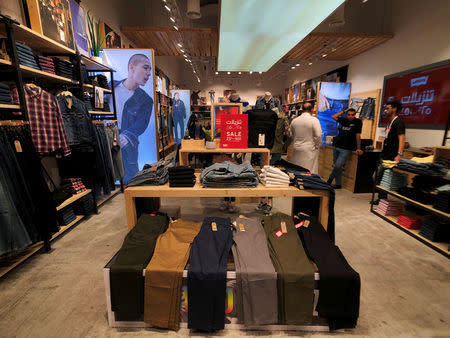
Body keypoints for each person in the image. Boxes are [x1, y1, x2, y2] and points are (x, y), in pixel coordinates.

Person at [113, 53, 153, 184]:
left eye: (150, 70)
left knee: (131, 181)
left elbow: (142, 124)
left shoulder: (146, 100)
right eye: (145, 68)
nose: (148, 73)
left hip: (127, 143)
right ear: (132, 67)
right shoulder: (109, 88)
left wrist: (125, 137)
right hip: (104, 137)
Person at [373, 100, 405, 204]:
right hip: (385, 153)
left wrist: (399, 154)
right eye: (385, 109)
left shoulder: (398, 122)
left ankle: (382, 199)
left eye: (387, 108)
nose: (385, 111)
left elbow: (402, 138)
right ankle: (382, 199)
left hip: (391, 156)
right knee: (379, 176)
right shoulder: (390, 122)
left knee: (378, 176)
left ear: (394, 109)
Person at [327, 108, 363, 189]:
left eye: (352, 115)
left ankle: (329, 180)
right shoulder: (344, 120)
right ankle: (338, 184)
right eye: (349, 114)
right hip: (336, 146)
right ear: (347, 115)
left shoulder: (358, 122)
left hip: (346, 148)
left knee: (337, 166)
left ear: (355, 114)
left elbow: (358, 135)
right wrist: (344, 111)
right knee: (337, 167)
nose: (350, 116)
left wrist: (359, 148)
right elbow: (333, 116)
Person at [290, 102, 322, 174]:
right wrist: (317, 146)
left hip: (296, 148)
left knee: (296, 169)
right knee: (308, 171)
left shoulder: (294, 121)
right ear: (312, 110)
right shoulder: (314, 120)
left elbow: (291, 134)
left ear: (302, 110)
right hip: (309, 149)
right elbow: (318, 135)